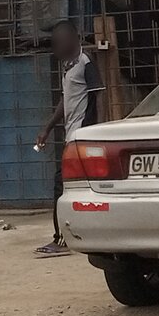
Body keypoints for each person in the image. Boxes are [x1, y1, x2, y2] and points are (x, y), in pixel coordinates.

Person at [35, 20, 105, 255]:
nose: (55, 48)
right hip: (72, 137)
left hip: (80, 139)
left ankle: (61, 240)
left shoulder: (85, 64)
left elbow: (97, 98)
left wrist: (90, 134)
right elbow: (66, 102)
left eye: (59, 42)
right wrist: (48, 127)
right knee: (82, 188)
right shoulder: (69, 66)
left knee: (61, 185)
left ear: (73, 40)